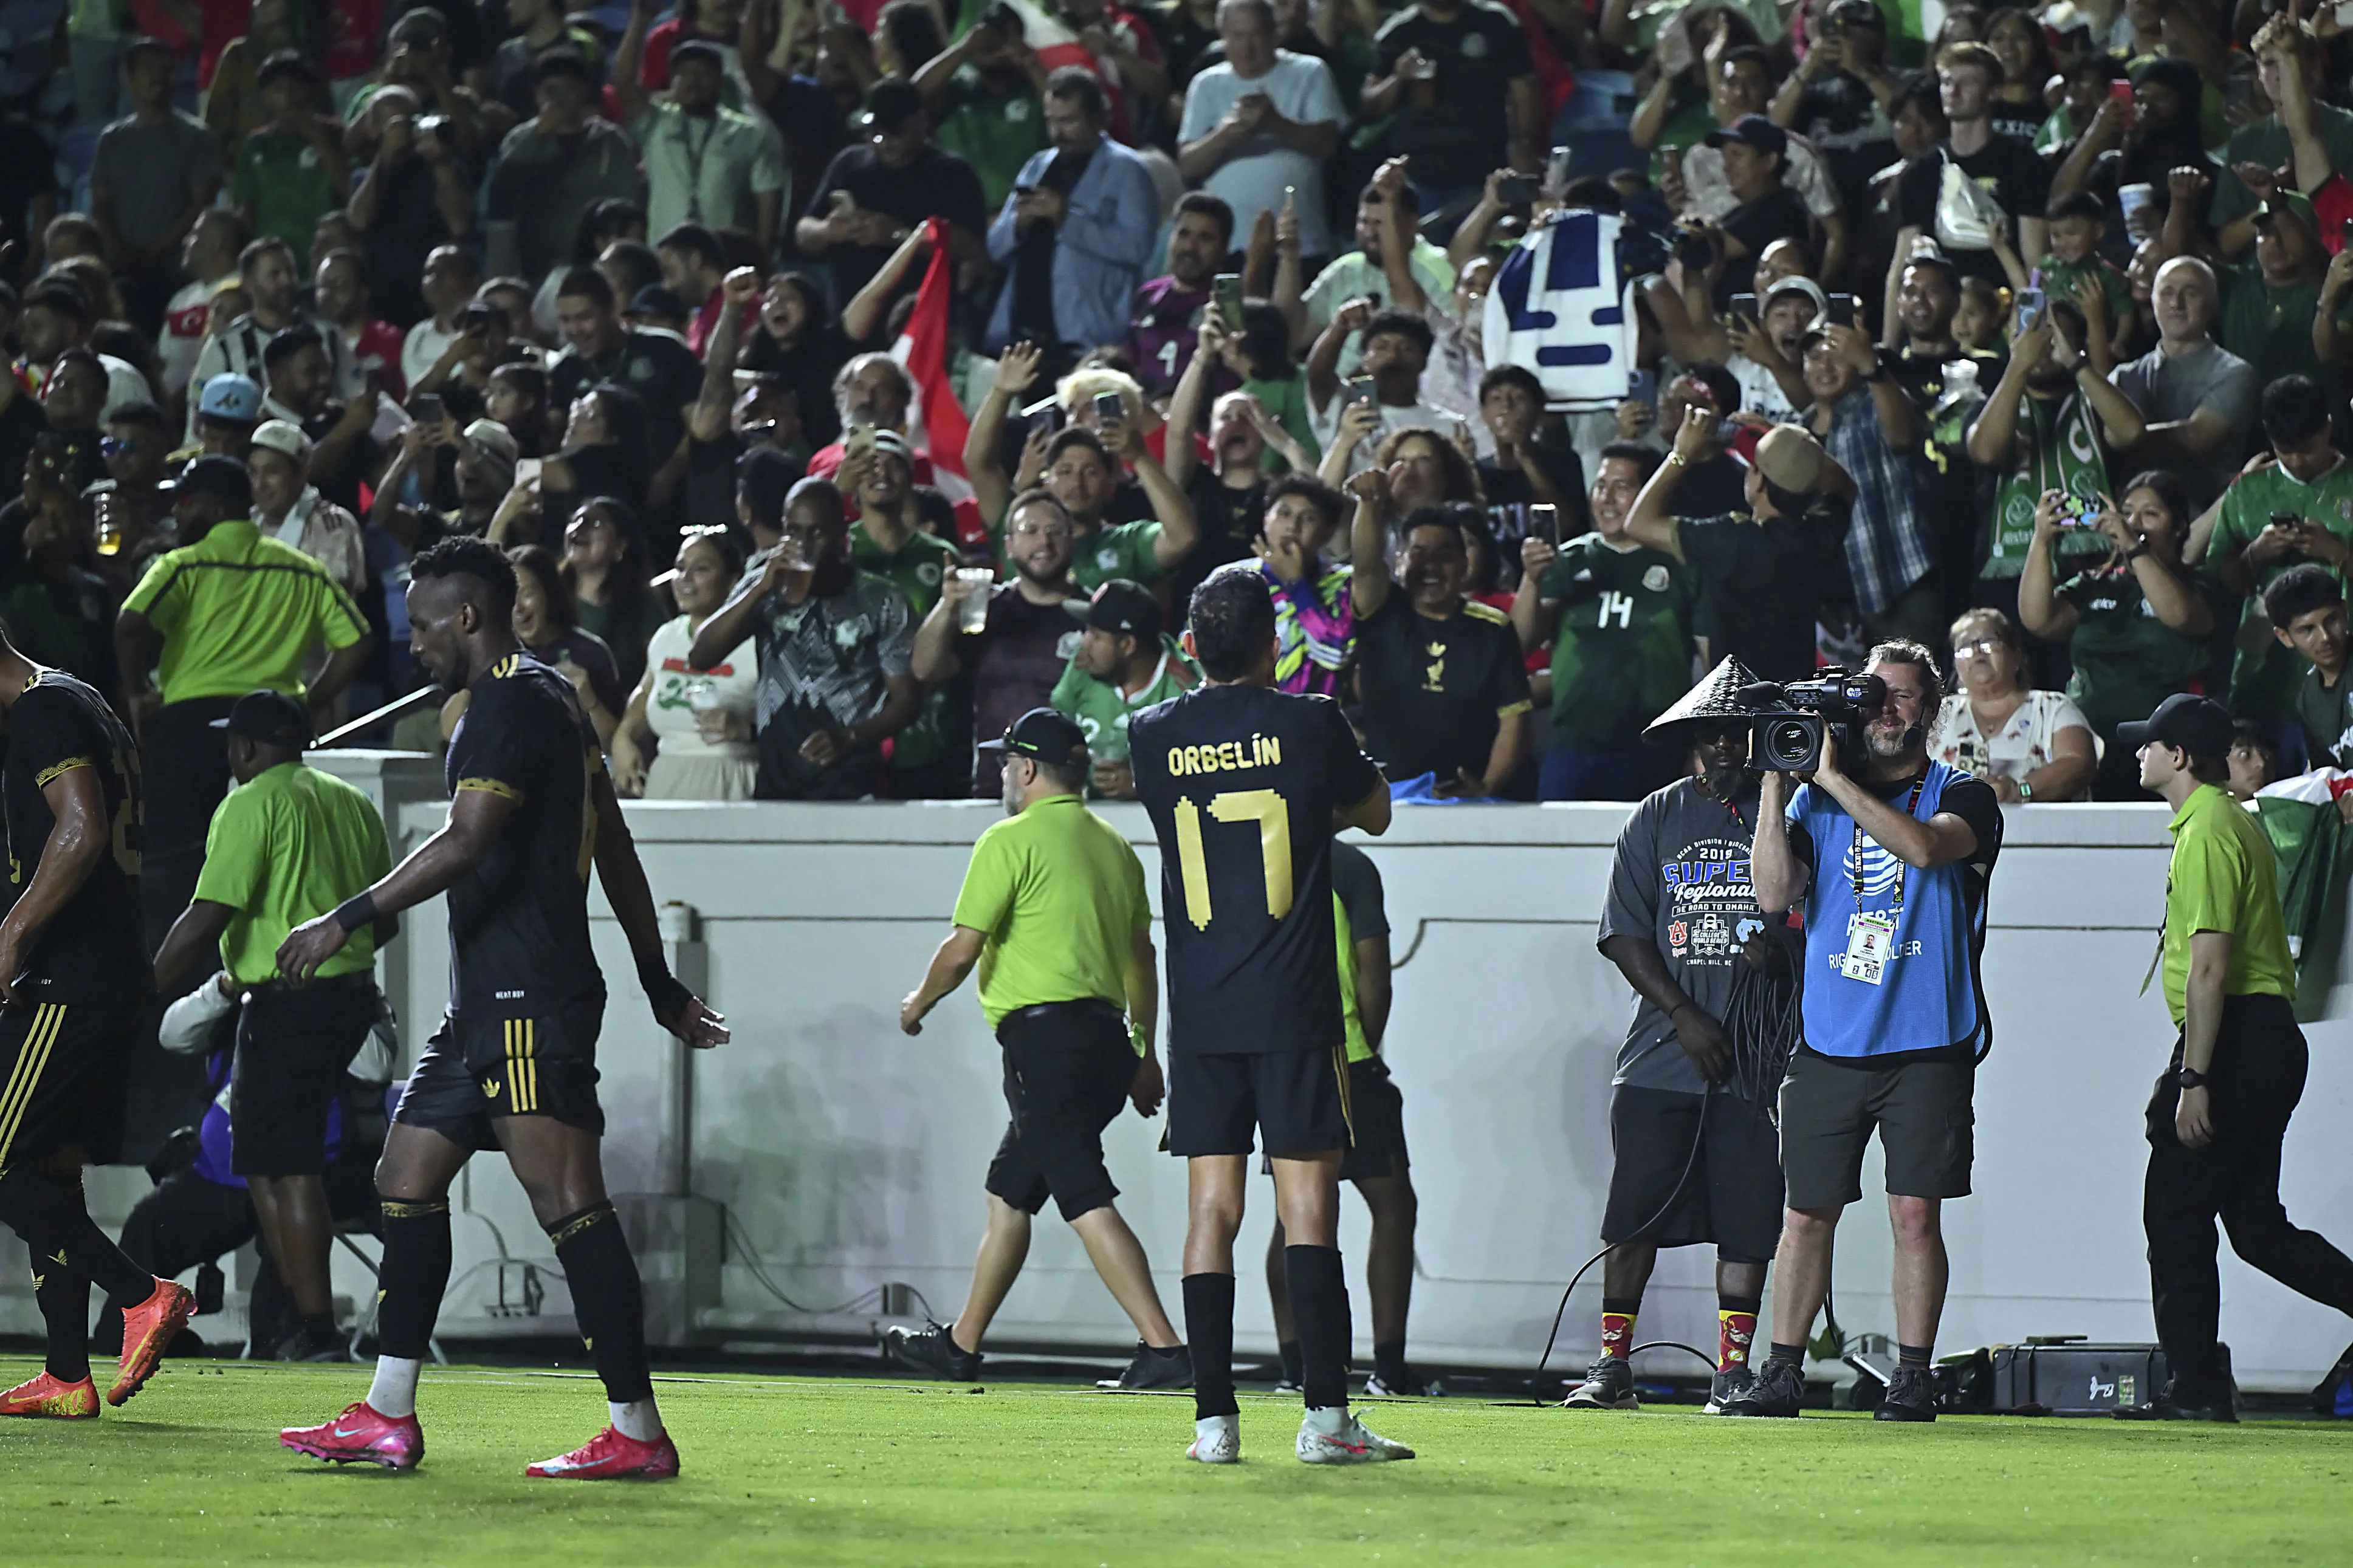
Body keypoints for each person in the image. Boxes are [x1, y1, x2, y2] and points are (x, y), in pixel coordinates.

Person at [276, 535, 727, 1476]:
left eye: (423, 626)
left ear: (469, 617)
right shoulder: (554, 697)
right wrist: (654, 979)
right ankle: (387, 1414)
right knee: (406, 1175)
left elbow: (467, 839)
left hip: (529, 997)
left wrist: (345, 918)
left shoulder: (506, 704)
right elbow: (616, 848)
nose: (414, 645)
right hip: (486, 1004)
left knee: (569, 1201)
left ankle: (639, 1431)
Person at [1128, 562, 1410, 1467]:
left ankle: (1213, 1424)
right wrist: (1312, 803)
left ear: (1189, 646)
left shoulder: (1150, 734)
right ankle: (1326, 1421)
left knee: (1211, 1209)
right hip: (1293, 1009)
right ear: (1275, 643)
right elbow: (1378, 812)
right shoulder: (1309, 722)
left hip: (1202, 1014)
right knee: (1308, 1211)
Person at [1735, 640, 2003, 1422]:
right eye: (1870, 695)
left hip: (1928, 1042)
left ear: (1932, 708)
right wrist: (1774, 781)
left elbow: (1923, 848)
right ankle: (1780, 1372)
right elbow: (1772, 895)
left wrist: (1829, 778)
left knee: (1914, 1215)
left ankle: (1912, 1376)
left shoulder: (1964, 794)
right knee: (1802, 1215)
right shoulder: (1811, 799)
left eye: (1901, 696)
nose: (1883, 710)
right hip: (1828, 1039)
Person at [891, 707, 1190, 1391]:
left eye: (1006, 763)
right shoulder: (1116, 847)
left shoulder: (1009, 839)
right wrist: (1144, 1054)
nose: (1003, 773)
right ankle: (961, 1345)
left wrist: (918, 1003)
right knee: (1009, 1192)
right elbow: (1142, 959)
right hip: (1105, 1046)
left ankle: (1167, 1349)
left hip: (1044, 1045)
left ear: (1026, 769)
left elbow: (963, 947)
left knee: (1083, 1194)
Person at [2118, 693, 2353, 1422]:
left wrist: (2192, 1076)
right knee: (2254, 1229)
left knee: (2174, 1214)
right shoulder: (2228, 820)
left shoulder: (2208, 829)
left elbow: (2210, 968)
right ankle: (2196, 1384)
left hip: (2236, 1041)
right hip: (2260, 1039)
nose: (2137, 753)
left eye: (2149, 743)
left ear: (2178, 756)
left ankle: (2193, 1389)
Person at [1575, 662, 1799, 1417]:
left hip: (1757, 1062)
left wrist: (1781, 951)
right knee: (1632, 1217)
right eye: (1711, 737)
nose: (1724, 749)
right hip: (1659, 1055)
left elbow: (1820, 917)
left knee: (1747, 1221)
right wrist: (1681, 1013)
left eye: (1737, 736)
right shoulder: (1654, 817)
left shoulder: (1789, 812)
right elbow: (1622, 934)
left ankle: (1731, 1373)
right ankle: (1612, 1366)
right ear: (1691, 743)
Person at [146, 690, 392, 1364]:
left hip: (285, 1004)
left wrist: (139, 989)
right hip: (352, 1000)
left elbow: (207, 914)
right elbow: (384, 920)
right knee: (269, 1166)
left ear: (246, 747)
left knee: (287, 1170)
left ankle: (315, 1331)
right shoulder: (352, 801)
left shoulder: (249, 803)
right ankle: (293, 1321)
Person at [0, 626, 194, 1420]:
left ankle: (140, 1294)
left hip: (68, 980)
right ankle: (65, 1372)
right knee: (49, 1168)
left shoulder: (39, 712)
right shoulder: (81, 697)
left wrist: (12, 934)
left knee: (8, 1165)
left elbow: (79, 829)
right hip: (109, 973)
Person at [116, 456, 371, 949]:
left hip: (189, 731)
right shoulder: (301, 569)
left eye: (185, 503)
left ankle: (172, 981)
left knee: (177, 869)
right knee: (273, 860)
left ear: (214, 510)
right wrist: (306, 705)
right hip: (273, 733)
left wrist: (135, 693)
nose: (177, 513)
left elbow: (130, 623)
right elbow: (357, 642)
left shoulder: (183, 564)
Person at [1259, 835, 1418, 1397]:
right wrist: (1364, 1051)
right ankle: (1389, 1369)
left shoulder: (1259, 854)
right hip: (1344, 1054)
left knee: (1292, 1213)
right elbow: (1375, 974)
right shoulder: (1347, 863)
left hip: (1283, 1058)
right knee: (1393, 1204)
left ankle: (1294, 1365)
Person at [690, 477, 922, 799]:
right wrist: (759, 589)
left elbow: (908, 700)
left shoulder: (881, 599)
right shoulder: (764, 586)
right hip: (776, 785)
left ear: (842, 534)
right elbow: (700, 657)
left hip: (853, 787)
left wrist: (850, 737)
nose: (803, 545)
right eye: (793, 531)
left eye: (817, 533)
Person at [1514, 444, 1697, 801]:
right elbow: (1520, 643)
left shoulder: (1682, 564)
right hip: (1572, 746)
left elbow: (1711, 658)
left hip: (1655, 747)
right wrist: (1532, 580)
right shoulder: (1568, 559)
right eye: (1600, 486)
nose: (1606, 498)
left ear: (1651, 494)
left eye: (1621, 486)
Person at [2017, 477, 2218, 800]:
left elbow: (2181, 616)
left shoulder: (2199, 583)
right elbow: (2038, 620)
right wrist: (2042, 540)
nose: (2133, 523)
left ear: (2179, 528)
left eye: (2150, 514)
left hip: (2165, 749)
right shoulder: (2097, 583)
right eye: (2126, 513)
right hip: (2090, 745)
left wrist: (2133, 547)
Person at [1623, 413, 1850, 683]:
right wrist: (1795, 448)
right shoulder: (1822, 534)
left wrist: (1680, 455)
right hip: (1795, 694)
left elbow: (1638, 524)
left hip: (1738, 698)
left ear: (1759, 482)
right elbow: (1844, 486)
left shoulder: (1734, 542)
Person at [2188, 376, 2353, 721]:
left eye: (2306, 449)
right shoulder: (2247, 490)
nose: (2296, 461)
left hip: (2341, 643)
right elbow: (2218, 583)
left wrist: (2336, 552)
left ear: (2328, 428)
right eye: (2284, 451)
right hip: (2263, 651)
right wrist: (2256, 555)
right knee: (2257, 736)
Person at [984, 69, 1161, 375]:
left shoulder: (1128, 170)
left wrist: (1067, 219)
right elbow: (995, 247)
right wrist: (1018, 223)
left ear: (1097, 118)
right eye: (1051, 120)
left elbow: (1137, 247)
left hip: (1085, 340)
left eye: (1069, 121)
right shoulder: (1038, 165)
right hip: (1020, 336)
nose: (1058, 132)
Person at [1349, 502, 1533, 798]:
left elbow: (1514, 719)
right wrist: (1369, 502)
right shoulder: (1380, 611)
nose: (1431, 566)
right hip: (1387, 797)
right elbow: (1365, 564)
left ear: (1464, 564)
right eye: (1418, 554)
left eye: (1444, 556)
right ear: (1399, 561)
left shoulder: (1493, 628)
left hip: (1467, 797)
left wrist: (1487, 787)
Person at [914, 488, 1085, 798]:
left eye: (1055, 531)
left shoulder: (1093, 614)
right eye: (1030, 531)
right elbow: (925, 670)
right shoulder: (986, 611)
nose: (1044, 542)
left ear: (1072, 540)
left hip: (1076, 787)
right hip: (998, 787)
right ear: (1009, 545)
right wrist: (947, 606)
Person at [1175, 0, 1344, 264]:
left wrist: (1275, 124)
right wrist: (1226, 134)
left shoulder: (1309, 72)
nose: (1247, 48)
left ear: (1274, 33)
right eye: (1238, 36)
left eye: (1256, 36)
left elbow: (1328, 144)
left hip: (1301, 242)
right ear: (1223, 37)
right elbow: (1188, 164)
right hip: (1228, 246)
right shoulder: (1206, 84)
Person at [615, 16, 786, 255]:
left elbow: (768, 203)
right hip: (665, 256)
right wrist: (639, 21)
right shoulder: (656, 123)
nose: (693, 81)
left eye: (704, 72)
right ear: (673, 81)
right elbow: (623, 83)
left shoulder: (749, 133)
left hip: (725, 258)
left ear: (720, 81)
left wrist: (762, 258)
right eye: (684, 73)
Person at [613, 530, 760, 801]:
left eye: (702, 569)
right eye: (680, 568)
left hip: (731, 779)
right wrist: (623, 736)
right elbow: (646, 691)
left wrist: (744, 729)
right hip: (668, 778)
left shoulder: (756, 641)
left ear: (733, 581)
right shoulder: (667, 636)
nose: (686, 578)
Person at [89, 38, 224, 330]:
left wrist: (154, 253)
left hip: (177, 266)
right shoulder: (113, 139)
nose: (158, 76)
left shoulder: (195, 137)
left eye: (165, 69)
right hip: (123, 267)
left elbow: (201, 204)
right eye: (148, 68)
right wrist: (120, 251)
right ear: (129, 79)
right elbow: (101, 204)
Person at [484, 49, 649, 283]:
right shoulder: (519, 139)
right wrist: (538, 134)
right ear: (536, 94)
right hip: (533, 267)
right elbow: (504, 189)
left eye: (569, 89)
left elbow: (629, 201)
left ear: (584, 92)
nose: (560, 99)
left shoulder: (611, 141)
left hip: (597, 267)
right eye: (551, 90)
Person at [2107, 258, 2258, 513]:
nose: (2176, 303)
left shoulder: (2235, 373)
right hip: (2130, 515)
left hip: (2205, 515)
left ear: (2212, 304)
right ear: (2153, 301)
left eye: (2190, 293)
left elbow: (2196, 438)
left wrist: (2126, 434)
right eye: (2167, 293)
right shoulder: (2125, 376)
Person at [1049, 580, 1199, 799]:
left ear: (1127, 645)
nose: (1085, 642)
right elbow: (1055, 728)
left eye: (1096, 635)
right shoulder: (1084, 664)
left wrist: (1145, 782)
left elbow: (1201, 772)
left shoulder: (1186, 691)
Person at [1933, 608, 2096, 803]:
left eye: (1989, 642)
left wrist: (2020, 790)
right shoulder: (1938, 713)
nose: (1977, 651)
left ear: (2016, 656)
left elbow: (2079, 764)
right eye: (1965, 647)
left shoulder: (2052, 707)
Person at [249, 419, 368, 598]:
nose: (259, 484)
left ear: (301, 475)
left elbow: (333, 602)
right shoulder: (246, 523)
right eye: (253, 471)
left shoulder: (333, 527)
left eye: (272, 471)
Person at [2264, 566, 2353, 775]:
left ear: (2344, 611)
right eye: (2308, 629)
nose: (2325, 637)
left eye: (2331, 620)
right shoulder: (2308, 700)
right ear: (2285, 637)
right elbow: (2327, 775)